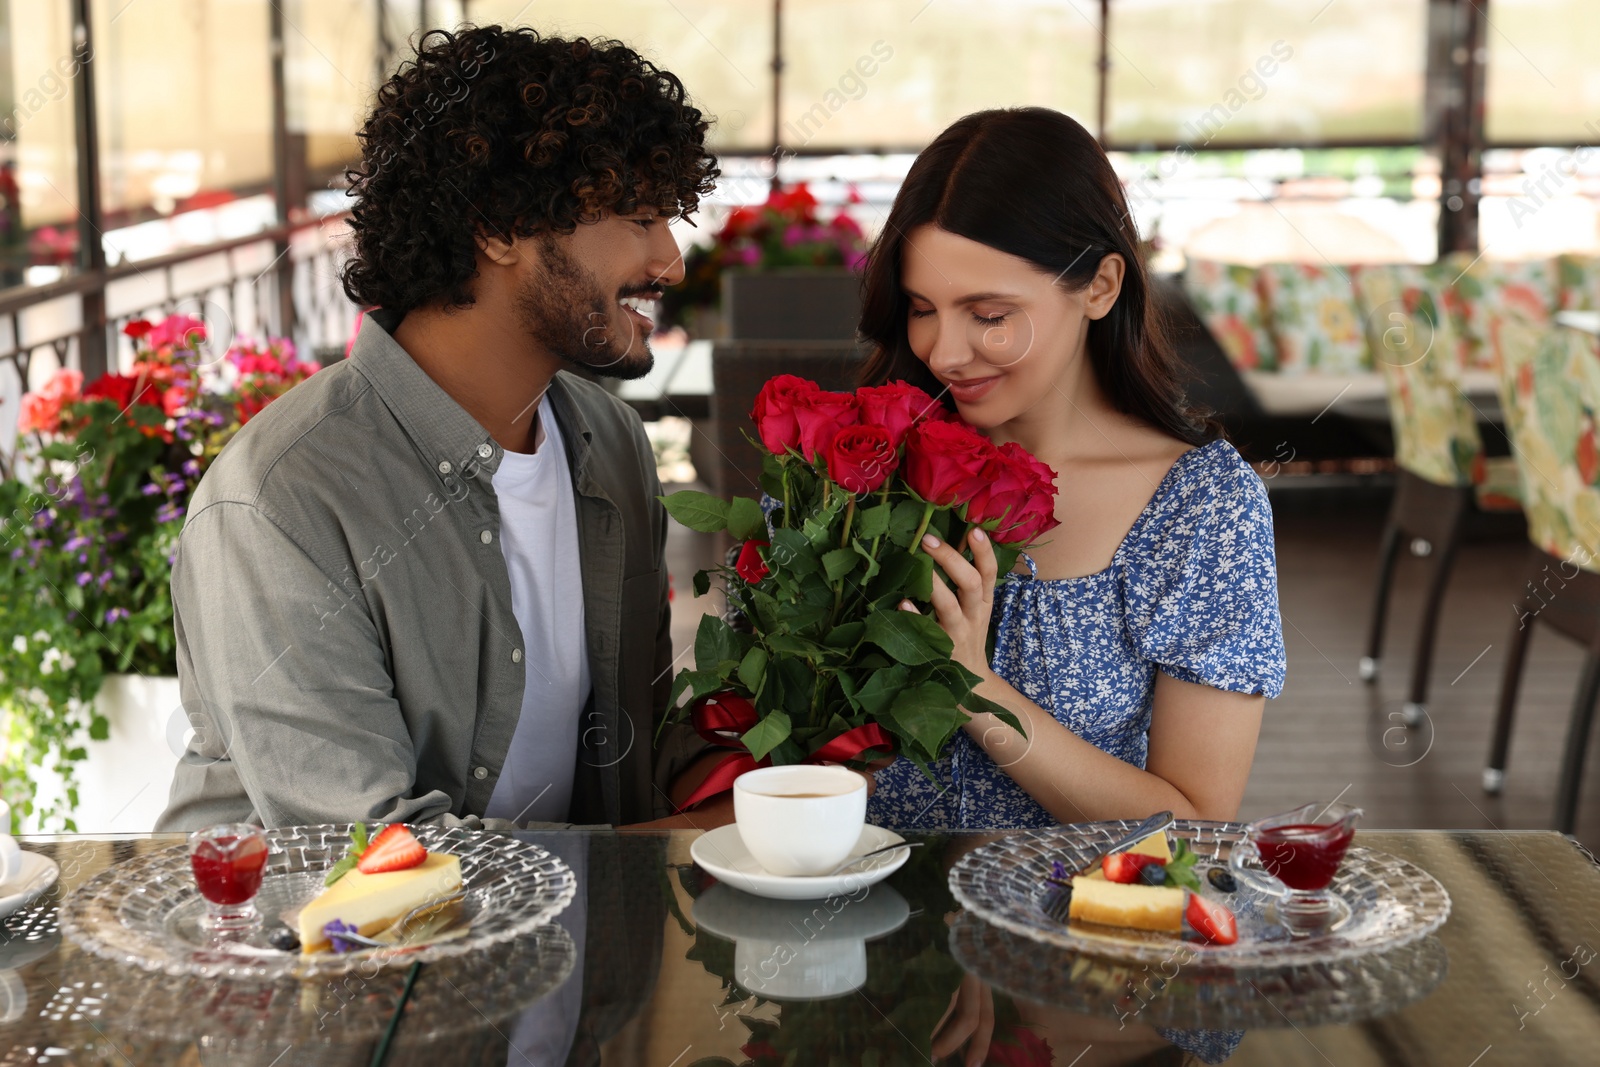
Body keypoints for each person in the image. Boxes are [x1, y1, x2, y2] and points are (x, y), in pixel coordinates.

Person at [156, 25, 735, 831]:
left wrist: (793, 768)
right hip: (301, 951)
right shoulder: (281, 503)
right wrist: (696, 843)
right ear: (496, 227)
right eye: (639, 218)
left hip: (565, 946)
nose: (671, 262)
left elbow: (627, 748)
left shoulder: (609, 443)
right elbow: (372, 862)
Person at [857, 107, 1285, 830]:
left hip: (1076, 929)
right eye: (922, 307)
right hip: (854, 921)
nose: (944, 353)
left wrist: (971, 688)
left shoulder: (1202, 506)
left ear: (1100, 286)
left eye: (989, 313)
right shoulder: (858, 469)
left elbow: (1196, 822)